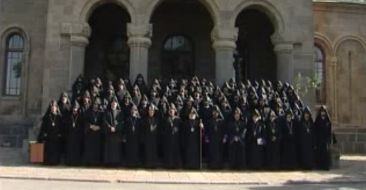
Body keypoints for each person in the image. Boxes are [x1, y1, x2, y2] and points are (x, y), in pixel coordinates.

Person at [37, 100, 63, 165]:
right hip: (49, 137)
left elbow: (61, 127)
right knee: (48, 150)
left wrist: (60, 134)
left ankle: (55, 162)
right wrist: (43, 134)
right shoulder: (47, 117)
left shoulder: (59, 117)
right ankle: (47, 162)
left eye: (54, 107)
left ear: (56, 108)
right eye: (52, 107)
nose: (53, 108)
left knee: (55, 150)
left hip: (56, 137)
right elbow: (43, 127)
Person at [103, 97, 123, 166]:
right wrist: (110, 128)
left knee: (116, 149)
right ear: (111, 104)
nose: (114, 104)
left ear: (117, 104)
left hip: (117, 134)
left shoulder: (120, 112)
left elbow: (122, 122)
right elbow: (104, 121)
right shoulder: (107, 112)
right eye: (113, 103)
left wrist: (116, 128)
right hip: (109, 133)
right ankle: (109, 163)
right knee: (109, 149)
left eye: (115, 103)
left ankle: (116, 162)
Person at [83, 98, 103, 166]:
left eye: (97, 104)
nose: (95, 105)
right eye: (94, 104)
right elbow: (85, 121)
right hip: (90, 133)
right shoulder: (88, 112)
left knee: (97, 148)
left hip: (98, 133)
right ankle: (89, 162)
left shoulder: (101, 113)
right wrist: (91, 126)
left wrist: (99, 127)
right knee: (90, 148)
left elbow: (103, 122)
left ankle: (97, 163)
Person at [162, 103, 182, 169]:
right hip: (168, 139)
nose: (171, 111)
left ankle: (176, 165)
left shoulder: (178, 119)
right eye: (170, 109)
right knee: (168, 152)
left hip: (176, 139)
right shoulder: (165, 119)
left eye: (172, 109)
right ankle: (168, 165)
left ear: (175, 110)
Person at [64, 101, 84, 166]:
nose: (75, 109)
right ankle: (69, 162)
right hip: (70, 135)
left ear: (78, 108)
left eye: (76, 108)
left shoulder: (80, 116)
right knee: (70, 149)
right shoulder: (69, 116)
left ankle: (76, 162)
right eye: (74, 108)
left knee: (76, 149)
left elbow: (82, 126)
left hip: (77, 136)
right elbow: (66, 126)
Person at [205, 105, 225, 169]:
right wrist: (207, 137)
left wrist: (224, 137)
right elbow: (207, 130)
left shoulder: (221, 121)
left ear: (218, 113)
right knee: (211, 152)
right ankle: (211, 165)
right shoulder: (209, 121)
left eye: (216, 112)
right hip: (212, 139)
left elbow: (224, 131)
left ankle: (219, 166)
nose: (215, 113)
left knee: (219, 153)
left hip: (219, 139)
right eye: (214, 112)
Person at [141, 103, 160, 168]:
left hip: (154, 138)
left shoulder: (157, 119)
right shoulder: (145, 119)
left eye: (152, 110)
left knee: (154, 151)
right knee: (147, 151)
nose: (151, 112)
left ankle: (154, 164)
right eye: (150, 110)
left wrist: (154, 106)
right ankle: (148, 164)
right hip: (147, 138)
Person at [314, 105, 332, 170]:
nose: (323, 113)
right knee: (319, 153)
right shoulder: (318, 120)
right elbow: (315, 130)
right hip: (319, 139)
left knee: (326, 153)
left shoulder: (328, 120)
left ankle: (326, 166)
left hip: (325, 140)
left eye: (324, 111)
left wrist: (329, 140)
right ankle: (319, 166)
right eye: (321, 111)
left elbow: (329, 131)